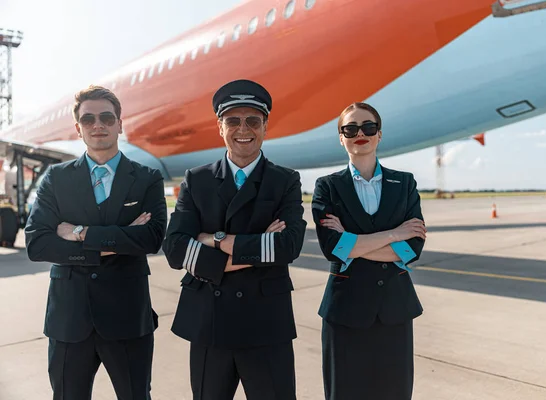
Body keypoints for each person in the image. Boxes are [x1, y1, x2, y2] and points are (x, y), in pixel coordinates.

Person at [162, 79, 307, 400]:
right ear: (220, 127)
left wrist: (213, 239)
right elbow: (174, 250)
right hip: (208, 324)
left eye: (253, 120)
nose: (244, 129)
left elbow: (288, 247)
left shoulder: (285, 180)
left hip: (266, 325)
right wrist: (257, 247)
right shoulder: (196, 179)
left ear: (265, 127)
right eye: (233, 121)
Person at [25, 85, 167, 399]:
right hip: (69, 320)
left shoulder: (146, 178)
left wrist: (79, 233)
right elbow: (37, 244)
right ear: (78, 128)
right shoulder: (56, 178)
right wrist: (118, 239)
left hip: (128, 317)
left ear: (120, 123)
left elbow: (153, 238)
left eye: (106, 117)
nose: (97, 125)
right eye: (88, 119)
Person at [311, 102, 427, 400]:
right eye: (350, 129)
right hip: (345, 311)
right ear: (341, 137)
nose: (359, 133)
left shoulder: (404, 183)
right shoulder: (327, 187)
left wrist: (354, 243)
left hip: (395, 308)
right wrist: (393, 234)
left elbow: (410, 249)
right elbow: (333, 248)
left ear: (379, 135)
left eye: (368, 127)